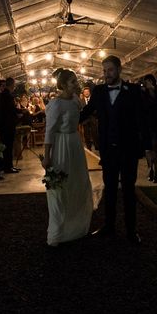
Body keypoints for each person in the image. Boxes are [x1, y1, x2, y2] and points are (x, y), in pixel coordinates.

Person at [80, 55, 149, 244]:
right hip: (108, 150)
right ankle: (109, 226)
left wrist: (145, 146)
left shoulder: (133, 91)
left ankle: (131, 230)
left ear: (119, 70)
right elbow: (85, 113)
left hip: (128, 150)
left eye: (110, 70)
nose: (106, 74)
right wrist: (65, 121)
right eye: (104, 71)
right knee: (109, 190)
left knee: (128, 190)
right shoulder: (99, 91)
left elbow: (141, 119)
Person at [41, 69, 93, 247]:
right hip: (61, 146)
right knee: (61, 187)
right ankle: (59, 230)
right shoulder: (55, 104)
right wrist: (47, 157)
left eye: (75, 81)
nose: (76, 84)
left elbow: (80, 117)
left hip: (75, 145)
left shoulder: (76, 100)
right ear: (62, 85)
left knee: (78, 182)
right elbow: (49, 132)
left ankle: (76, 226)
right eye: (72, 82)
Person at [140, 74, 157, 182]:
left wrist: (152, 89)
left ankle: (156, 171)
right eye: (145, 82)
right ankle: (150, 169)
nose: (146, 83)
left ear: (152, 81)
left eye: (148, 81)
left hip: (156, 122)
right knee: (148, 149)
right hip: (145, 122)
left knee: (155, 147)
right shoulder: (142, 92)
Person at [0, 77, 20, 174]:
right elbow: (10, 110)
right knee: (8, 147)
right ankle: (8, 167)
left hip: (5, 125)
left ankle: (9, 166)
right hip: (7, 125)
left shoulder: (4, 94)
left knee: (8, 146)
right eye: (14, 84)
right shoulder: (6, 95)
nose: (15, 86)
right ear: (12, 84)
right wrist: (20, 112)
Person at [79, 86, 99, 151]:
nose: (86, 93)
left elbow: (96, 108)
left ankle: (97, 146)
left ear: (90, 92)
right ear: (83, 93)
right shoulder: (81, 101)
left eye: (88, 92)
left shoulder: (93, 99)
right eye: (85, 92)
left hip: (93, 118)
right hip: (85, 120)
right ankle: (89, 147)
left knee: (95, 133)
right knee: (86, 134)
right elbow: (80, 110)